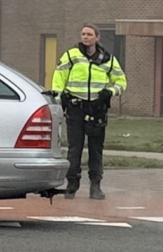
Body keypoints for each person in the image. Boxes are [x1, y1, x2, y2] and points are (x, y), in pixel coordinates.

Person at [50, 24, 127, 199]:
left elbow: (121, 82)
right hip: (76, 107)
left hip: (97, 110)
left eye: (89, 34)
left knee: (96, 149)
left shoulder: (107, 59)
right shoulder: (72, 55)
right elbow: (58, 77)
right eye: (83, 34)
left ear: (97, 37)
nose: (85, 37)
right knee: (74, 148)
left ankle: (95, 186)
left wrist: (110, 92)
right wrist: (59, 96)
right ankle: (72, 184)